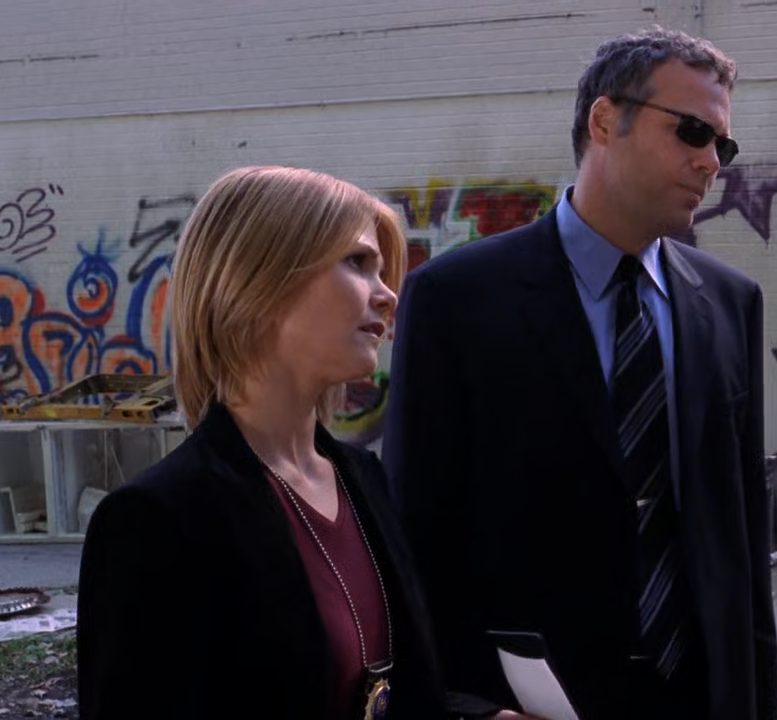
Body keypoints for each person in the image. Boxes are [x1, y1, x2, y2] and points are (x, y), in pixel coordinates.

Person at [383, 25, 777, 720]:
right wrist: (458, 705)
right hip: (531, 699)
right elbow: (417, 536)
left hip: (697, 692)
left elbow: (741, 538)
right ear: (604, 120)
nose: (711, 162)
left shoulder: (729, 302)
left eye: (724, 144)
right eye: (692, 132)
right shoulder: (457, 299)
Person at [76, 166, 509, 719]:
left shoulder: (363, 478)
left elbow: (393, 689)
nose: (387, 296)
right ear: (259, 281)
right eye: (357, 263)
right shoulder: (155, 519)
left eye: (382, 271)